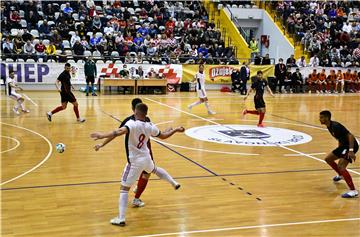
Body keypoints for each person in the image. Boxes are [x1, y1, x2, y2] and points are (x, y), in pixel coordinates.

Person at [91, 103, 184, 226]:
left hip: (134, 162)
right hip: (146, 158)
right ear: (146, 114)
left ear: (135, 111)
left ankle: (121, 218)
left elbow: (118, 131)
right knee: (155, 169)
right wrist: (176, 130)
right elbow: (163, 136)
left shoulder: (131, 124)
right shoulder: (150, 125)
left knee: (124, 189)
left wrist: (101, 135)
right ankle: (173, 182)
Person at [319, 110, 359, 198]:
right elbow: (340, 138)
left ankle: (353, 191)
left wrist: (351, 151)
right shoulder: (329, 126)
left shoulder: (335, 126)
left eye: (321, 117)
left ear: (327, 118)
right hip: (343, 146)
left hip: (350, 146)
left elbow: (350, 136)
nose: (320, 119)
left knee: (341, 166)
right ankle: (341, 175)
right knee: (328, 159)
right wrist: (339, 149)